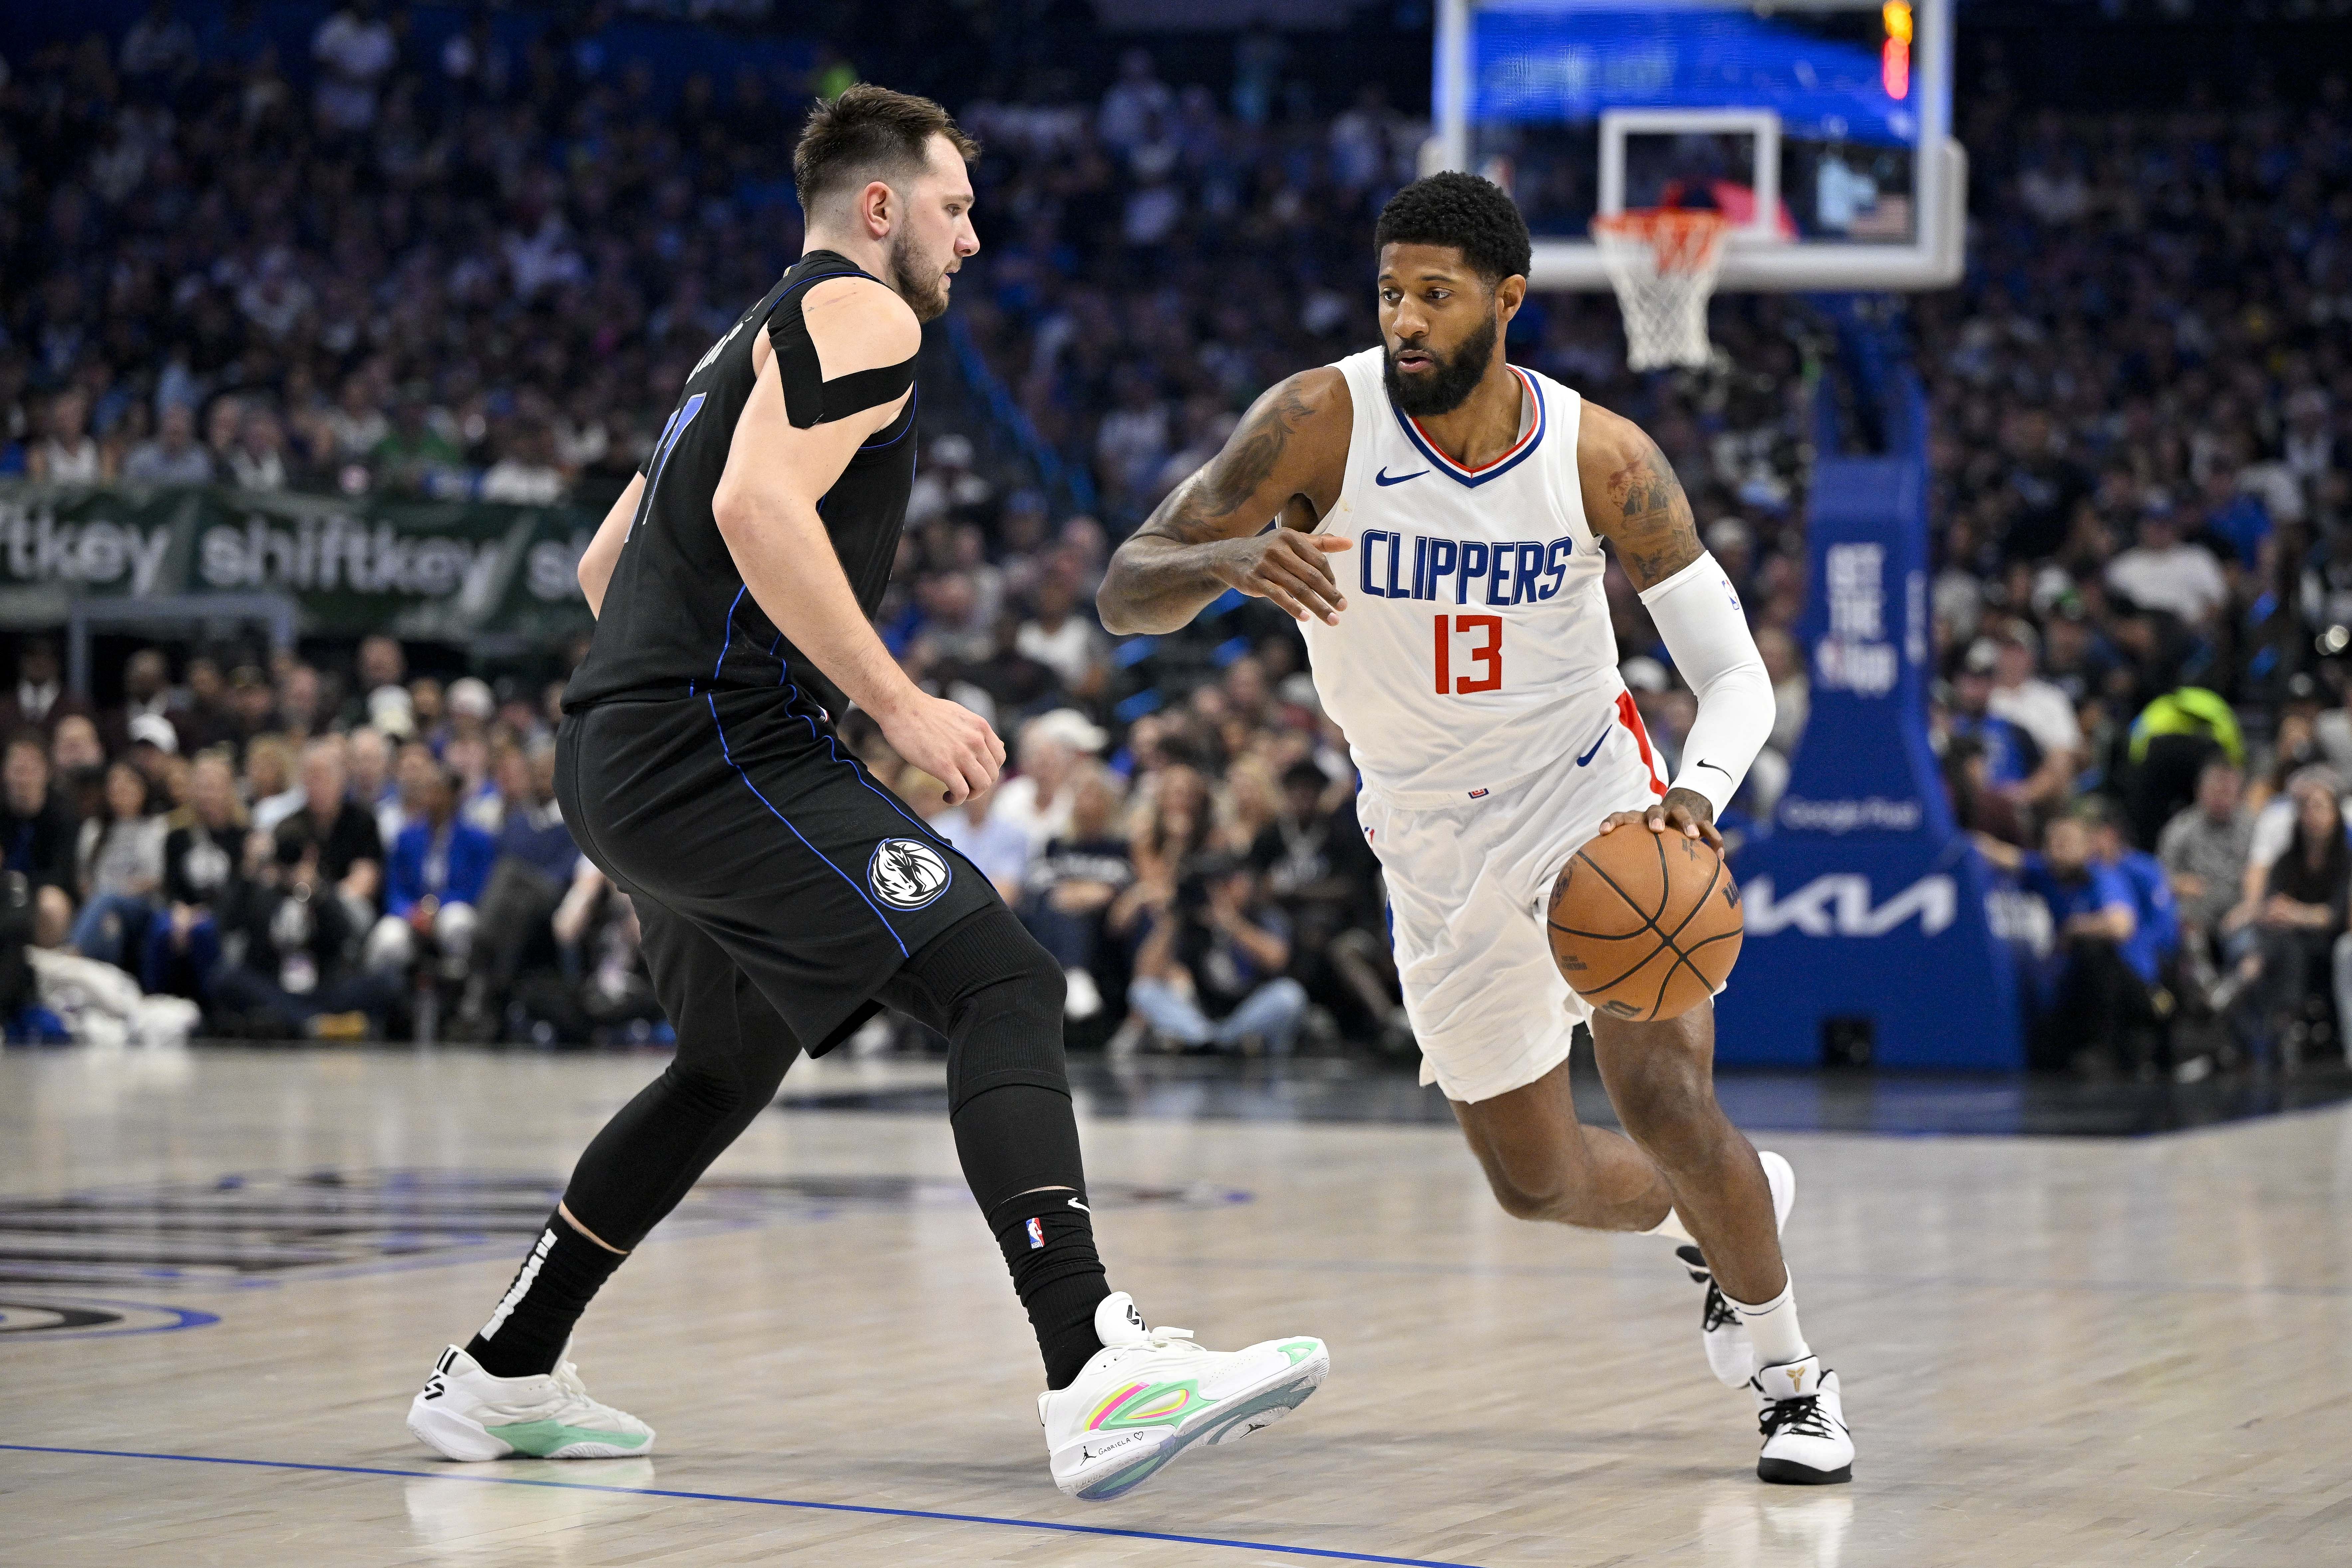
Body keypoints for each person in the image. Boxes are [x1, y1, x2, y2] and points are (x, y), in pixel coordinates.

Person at [404, 86, 1325, 1500]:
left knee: (724, 1063)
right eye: (955, 207)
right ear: (880, 206)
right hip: (714, 743)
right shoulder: (860, 312)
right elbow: (754, 509)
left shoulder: (733, 345)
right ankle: (1093, 1363)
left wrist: (684, 696)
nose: (971, 235)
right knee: (1001, 981)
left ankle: (507, 1363)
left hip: (619, 747)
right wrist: (894, 705)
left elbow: (609, 570)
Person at [1095, 171, 1845, 1483]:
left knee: (1666, 1097)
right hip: (1428, 839)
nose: (1406, 319)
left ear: (1507, 299)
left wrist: (1694, 797)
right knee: (1536, 1183)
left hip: (1591, 798)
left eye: (1434, 293)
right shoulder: (1314, 420)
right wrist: (1216, 564)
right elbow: (1122, 587)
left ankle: (1792, 1377)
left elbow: (1737, 674)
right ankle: (1730, 1211)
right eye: (1390, 291)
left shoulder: (1601, 453)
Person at [1126, 853, 1307, 1054]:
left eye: (1226, 883)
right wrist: (1171, 920)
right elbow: (1145, 974)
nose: (1219, 893)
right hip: (1205, 1018)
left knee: (1290, 994)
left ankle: (1226, 1042)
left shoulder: (1264, 914)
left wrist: (1231, 923)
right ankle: (1209, 1041)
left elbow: (1277, 959)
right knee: (1142, 991)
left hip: (1250, 1013)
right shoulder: (1191, 922)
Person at [367, 764, 494, 982]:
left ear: (454, 796)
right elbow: (395, 888)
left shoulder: (477, 839)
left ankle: (467, 992)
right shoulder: (407, 837)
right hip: (413, 912)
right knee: (388, 938)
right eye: (429, 790)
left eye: (439, 790)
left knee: (458, 922)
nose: (432, 797)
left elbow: (477, 889)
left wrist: (435, 907)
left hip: (451, 908)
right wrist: (410, 911)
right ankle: (381, 1000)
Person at [69, 761, 167, 969]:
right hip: (100, 907)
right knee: (110, 930)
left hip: (141, 906)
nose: (121, 789)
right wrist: (103, 905)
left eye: (128, 783)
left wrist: (114, 896)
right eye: (115, 784)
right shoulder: (94, 829)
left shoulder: (156, 827)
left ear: (143, 788)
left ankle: (71, 956)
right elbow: (84, 880)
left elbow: (155, 879)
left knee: (107, 901)